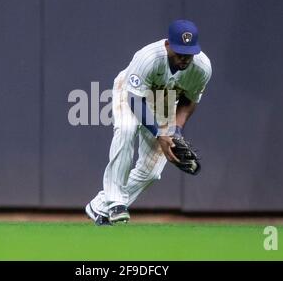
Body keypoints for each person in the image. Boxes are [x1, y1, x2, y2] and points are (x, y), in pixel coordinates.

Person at [85, 19, 212, 225]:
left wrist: (176, 130)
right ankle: (116, 203)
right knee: (126, 130)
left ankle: (100, 205)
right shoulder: (148, 58)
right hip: (131, 94)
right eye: (179, 51)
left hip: (164, 102)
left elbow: (190, 101)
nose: (184, 58)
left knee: (151, 172)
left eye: (188, 53)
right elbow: (135, 100)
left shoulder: (202, 68)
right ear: (168, 44)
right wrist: (159, 133)